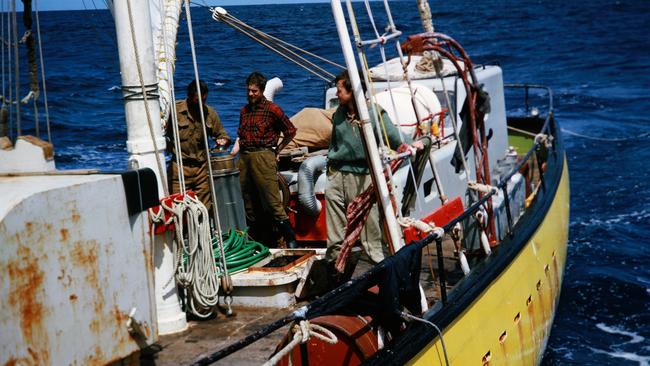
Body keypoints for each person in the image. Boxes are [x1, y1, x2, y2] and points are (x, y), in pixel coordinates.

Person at [325, 70, 424, 270]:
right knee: (335, 232)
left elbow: (396, 141)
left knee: (370, 232)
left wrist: (415, 145)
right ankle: (334, 269)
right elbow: (334, 144)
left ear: (352, 91)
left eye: (340, 90)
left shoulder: (375, 113)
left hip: (363, 176)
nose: (337, 94)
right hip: (336, 175)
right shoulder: (339, 115)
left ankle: (383, 270)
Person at [230, 72, 298, 248]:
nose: (251, 94)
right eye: (249, 91)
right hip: (244, 158)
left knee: (273, 200)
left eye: (254, 91)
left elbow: (290, 131)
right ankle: (258, 241)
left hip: (264, 156)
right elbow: (240, 135)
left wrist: (278, 150)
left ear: (261, 90)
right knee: (248, 202)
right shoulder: (244, 111)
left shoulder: (272, 110)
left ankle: (290, 239)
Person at [166, 80, 230, 215]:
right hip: (179, 168)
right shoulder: (174, 111)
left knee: (204, 209)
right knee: (178, 210)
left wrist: (223, 140)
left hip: (201, 168)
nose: (200, 104)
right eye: (197, 101)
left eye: (204, 100)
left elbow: (221, 133)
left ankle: (203, 234)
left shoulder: (209, 113)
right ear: (189, 96)